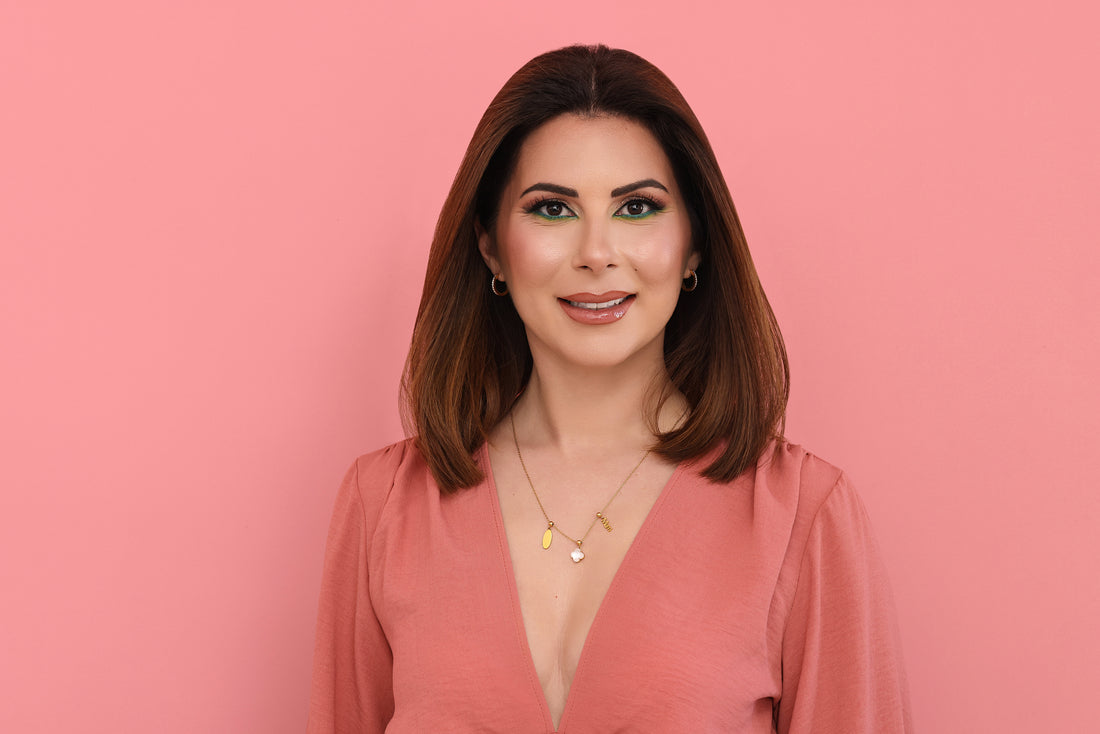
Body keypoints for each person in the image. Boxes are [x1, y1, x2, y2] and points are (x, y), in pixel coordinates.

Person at [307, 44, 912, 733]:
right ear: (490, 246)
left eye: (637, 207)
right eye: (552, 209)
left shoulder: (802, 517)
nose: (596, 253)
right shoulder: (383, 507)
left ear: (693, 245)